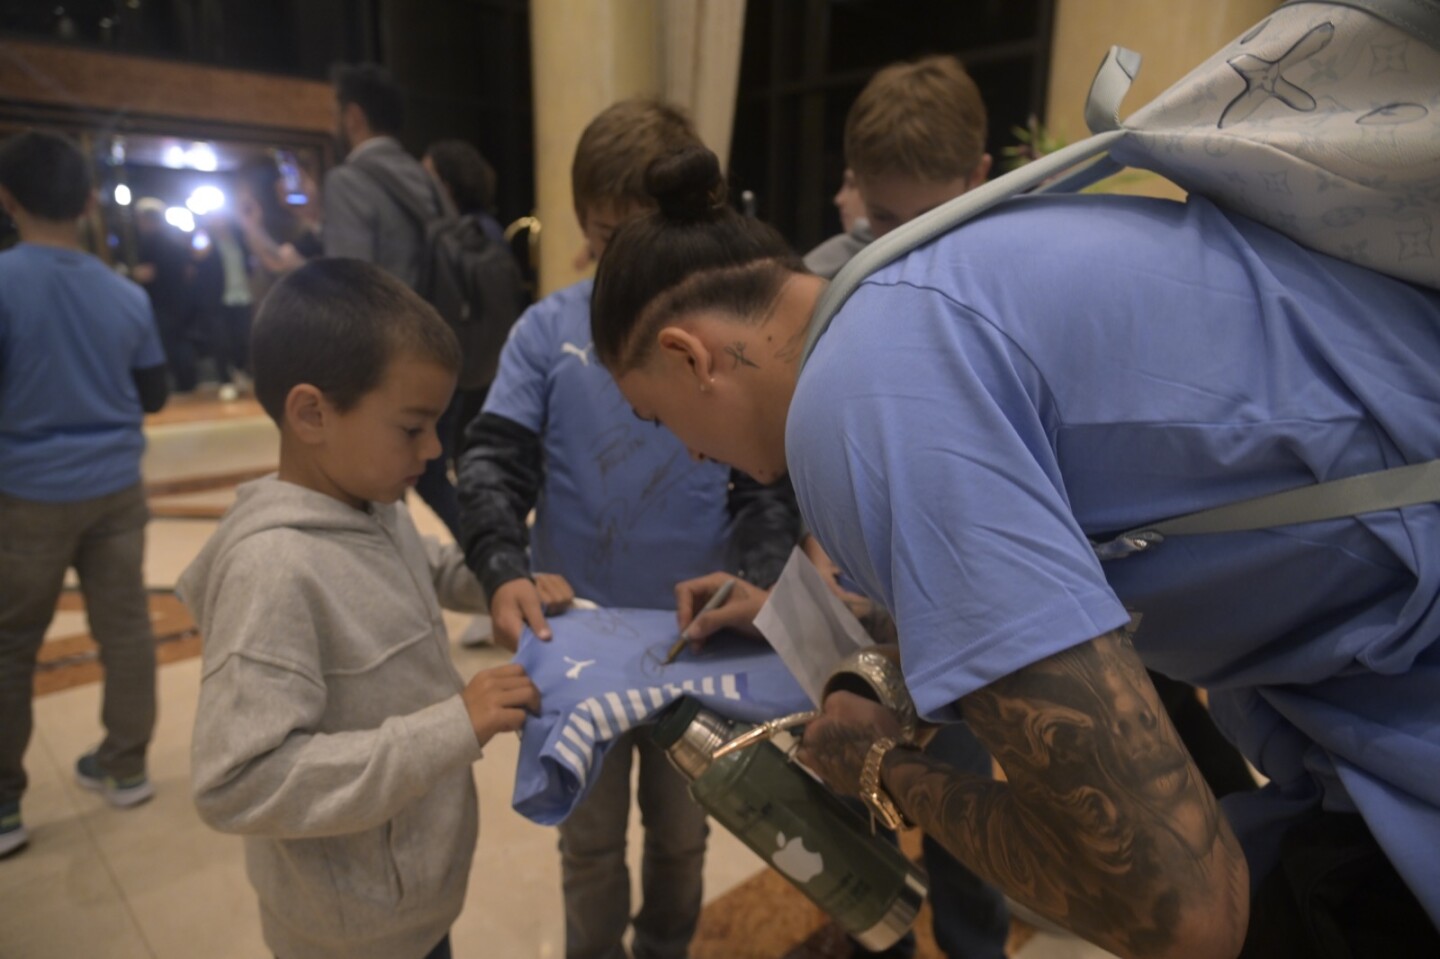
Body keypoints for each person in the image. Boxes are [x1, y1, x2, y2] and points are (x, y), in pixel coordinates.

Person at [589, 147, 1440, 958]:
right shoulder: (921, 279)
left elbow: (1182, 909)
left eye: (661, 422)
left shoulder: (855, 398)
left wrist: (883, 770)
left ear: (688, 355)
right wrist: (885, 647)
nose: (693, 456)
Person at [456, 98, 801, 959]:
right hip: (573, 641)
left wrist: (757, 575)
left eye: (647, 240)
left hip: (700, 640)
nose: (630, 268)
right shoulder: (547, 330)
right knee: (589, 838)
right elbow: (494, 458)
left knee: (686, 834)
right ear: (582, 227)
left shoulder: (729, 334)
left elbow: (768, 484)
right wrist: (503, 565)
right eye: (611, 242)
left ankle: (665, 947)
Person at [177, 258, 540, 959]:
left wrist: (493, 582)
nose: (434, 451)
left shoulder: (371, 499)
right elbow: (238, 782)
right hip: (347, 930)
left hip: (409, 899)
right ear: (312, 413)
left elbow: (418, 566)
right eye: (412, 427)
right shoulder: (273, 571)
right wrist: (451, 724)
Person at [0, 131, 169, 858]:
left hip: (25, 490)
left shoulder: (3, 282)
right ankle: (126, 765)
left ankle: (5, 806)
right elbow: (154, 393)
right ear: (90, 201)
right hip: (115, 487)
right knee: (126, 627)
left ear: (7, 200)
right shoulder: (125, 293)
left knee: (10, 646)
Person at [324, 63, 462, 538]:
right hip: (441, 358)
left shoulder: (349, 182)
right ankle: (495, 562)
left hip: (380, 367)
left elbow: (348, 292)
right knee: (427, 478)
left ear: (355, 117)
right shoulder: (426, 182)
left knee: (371, 500)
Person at [420, 138, 527, 454]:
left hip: (460, 366)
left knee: (443, 460)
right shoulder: (492, 231)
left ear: (447, 185)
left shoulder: (457, 238)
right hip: (491, 364)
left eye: (429, 178)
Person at [133, 196, 199, 392]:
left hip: (161, 304)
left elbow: (146, 273)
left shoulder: (150, 242)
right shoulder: (175, 242)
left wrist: (130, 274)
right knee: (181, 341)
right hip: (181, 303)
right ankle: (188, 384)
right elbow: (189, 273)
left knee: (169, 344)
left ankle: (179, 386)